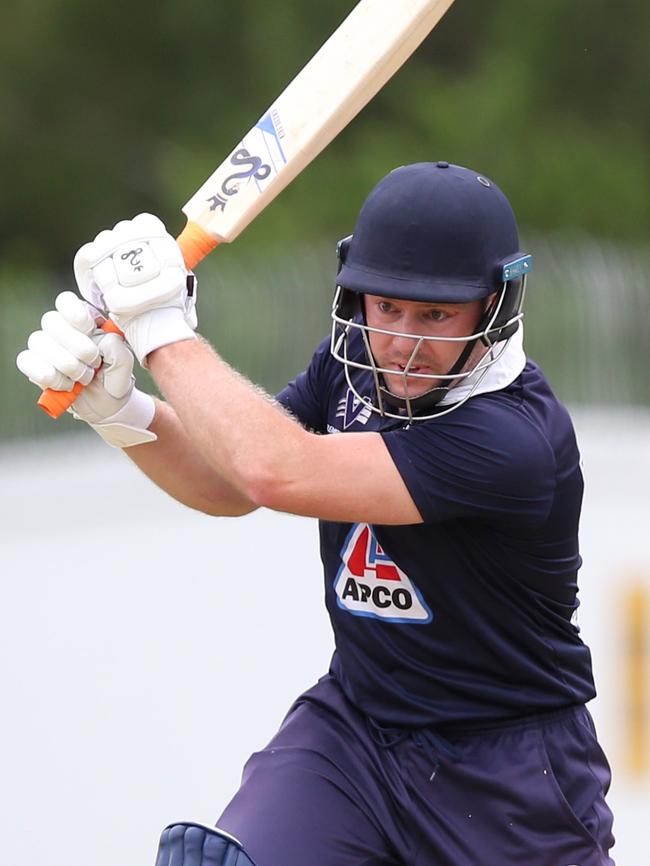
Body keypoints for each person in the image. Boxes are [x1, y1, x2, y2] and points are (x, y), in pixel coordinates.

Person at [17, 162, 616, 866]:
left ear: (496, 306)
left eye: (435, 314)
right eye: (385, 306)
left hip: (506, 773)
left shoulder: (513, 439)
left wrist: (158, 328)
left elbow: (276, 469)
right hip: (355, 733)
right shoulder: (355, 361)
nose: (401, 344)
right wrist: (119, 410)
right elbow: (229, 482)